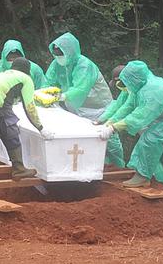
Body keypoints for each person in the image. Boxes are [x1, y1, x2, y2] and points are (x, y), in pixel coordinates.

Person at [45, 32, 125, 167]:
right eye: (56, 55)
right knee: (85, 141)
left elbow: (81, 89)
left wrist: (63, 96)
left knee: (108, 139)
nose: (59, 58)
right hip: (77, 109)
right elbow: (48, 82)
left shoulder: (84, 65)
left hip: (99, 108)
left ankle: (118, 166)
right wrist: (45, 93)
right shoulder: (56, 64)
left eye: (61, 54)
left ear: (70, 51)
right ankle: (93, 166)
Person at [109, 61, 163, 188]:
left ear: (133, 78)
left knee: (151, 138)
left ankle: (142, 176)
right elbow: (129, 106)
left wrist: (114, 127)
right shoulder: (140, 87)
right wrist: (110, 121)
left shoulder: (154, 89)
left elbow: (140, 115)